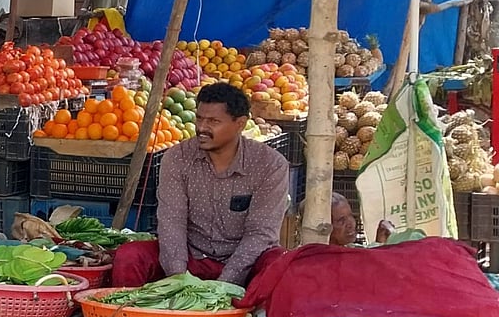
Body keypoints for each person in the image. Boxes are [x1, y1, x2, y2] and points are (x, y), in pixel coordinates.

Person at [111, 83, 290, 287]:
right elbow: (172, 223)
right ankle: (125, 308)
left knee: (279, 263)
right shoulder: (177, 157)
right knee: (129, 255)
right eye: (199, 118)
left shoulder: (269, 164)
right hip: (191, 257)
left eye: (213, 121)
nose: (202, 128)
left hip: (244, 263)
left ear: (240, 123)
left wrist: (222, 287)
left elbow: (260, 234)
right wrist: (180, 281)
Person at [301, 192, 395, 246]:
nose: (351, 224)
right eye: (341, 221)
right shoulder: (318, 260)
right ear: (323, 228)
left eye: (351, 216)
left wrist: (380, 242)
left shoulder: (349, 249)